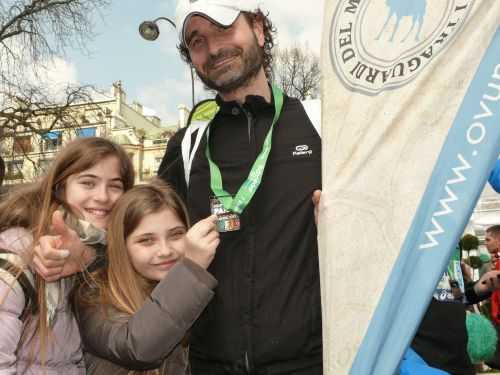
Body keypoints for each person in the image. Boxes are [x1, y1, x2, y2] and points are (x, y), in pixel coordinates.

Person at [158, 0, 322, 373]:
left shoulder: (321, 126)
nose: (213, 48)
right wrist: (87, 249)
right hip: (208, 365)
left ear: (259, 29)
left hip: (313, 363)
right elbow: (136, 236)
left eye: (224, 29)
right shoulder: (185, 147)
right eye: (197, 41)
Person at [0, 137, 135, 374]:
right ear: (61, 187)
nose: (103, 197)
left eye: (115, 185)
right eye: (88, 183)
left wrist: (88, 258)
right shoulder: (19, 248)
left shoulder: (108, 250)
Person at [73, 181, 219, 375]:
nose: (165, 251)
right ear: (122, 245)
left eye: (176, 235)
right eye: (146, 240)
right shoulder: (93, 293)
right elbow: (138, 348)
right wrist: (191, 269)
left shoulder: (191, 291)